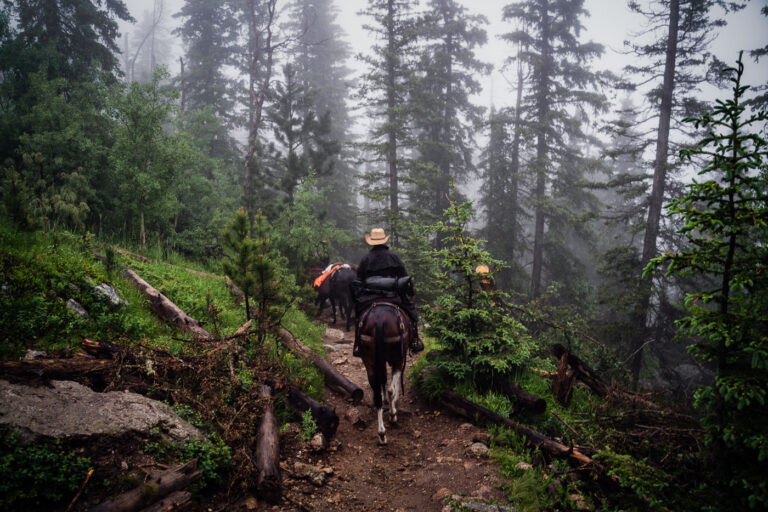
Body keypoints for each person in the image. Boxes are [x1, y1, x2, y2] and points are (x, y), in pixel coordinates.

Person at [353, 228, 424, 356]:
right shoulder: (394, 257)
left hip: (370, 296)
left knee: (359, 316)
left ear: (372, 242)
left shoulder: (366, 259)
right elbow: (404, 277)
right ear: (385, 240)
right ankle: (415, 341)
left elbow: (359, 280)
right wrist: (410, 292)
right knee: (412, 313)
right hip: (392, 295)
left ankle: (358, 344)